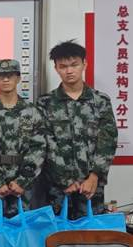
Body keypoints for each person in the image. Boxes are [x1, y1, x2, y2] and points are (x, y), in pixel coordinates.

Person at [38, 40, 118, 218]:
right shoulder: (45, 103)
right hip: (57, 187)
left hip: (91, 186)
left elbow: (108, 140)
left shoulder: (100, 101)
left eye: (74, 65)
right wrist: (64, 179)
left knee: (90, 232)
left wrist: (95, 176)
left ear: (84, 64)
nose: (69, 71)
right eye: (63, 66)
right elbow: (45, 143)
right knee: (57, 233)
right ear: (56, 68)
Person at [0, 59, 46, 217]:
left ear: (18, 78)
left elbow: (38, 148)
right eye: (1, 76)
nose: (6, 79)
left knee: (22, 226)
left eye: (10, 75)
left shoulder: (32, 112)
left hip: (23, 184)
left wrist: (22, 181)